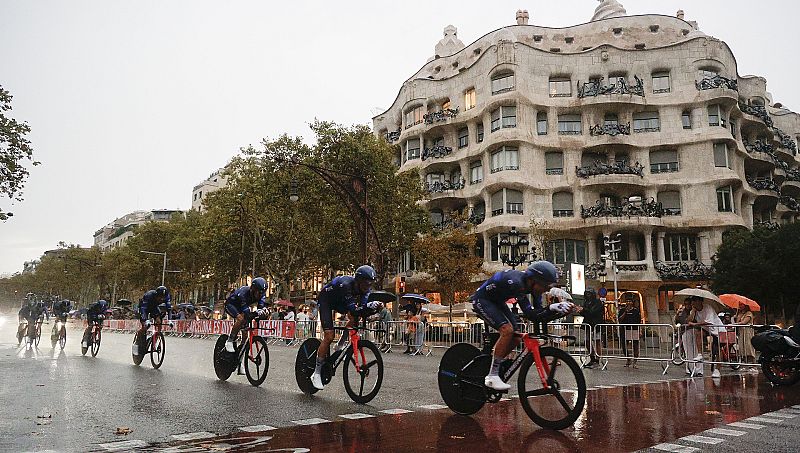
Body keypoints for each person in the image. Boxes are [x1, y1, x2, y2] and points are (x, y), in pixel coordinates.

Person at [470, 261, 574, 391]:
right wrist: (552, 307)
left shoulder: (534, 288)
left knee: (517, 336)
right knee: (507, 330)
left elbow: (538, 315)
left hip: (496, 302)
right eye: (546, 285)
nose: (547, 289)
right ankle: (492, 375)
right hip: (482, 300)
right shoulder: (517, 283)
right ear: (533, 280)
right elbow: (529, 313)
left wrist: (557, 310)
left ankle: (493, 362)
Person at [311, 265, 382, 390]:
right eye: (366, 284)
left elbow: (360, 310)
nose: (367, 287)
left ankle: (340, 344)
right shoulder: (346, 285)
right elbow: (354, 309)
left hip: (340, 301)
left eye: (370, 284)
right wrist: (367, 307)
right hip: (327, 300)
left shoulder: (366, 290)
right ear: (358, 281)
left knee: (355, 318)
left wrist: (372, 309)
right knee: (329, 335)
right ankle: (316, 372)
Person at [224, 277, 268, 352]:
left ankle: (240, 351)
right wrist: (254, 314)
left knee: (245, 330)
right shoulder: (243, 293)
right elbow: (246, 311)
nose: (260, 295)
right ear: (253, 289)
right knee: (241, 319)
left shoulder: (262, 295)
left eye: (262, 292)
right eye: (259, 292)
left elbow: (261, 307)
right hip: (231, 305)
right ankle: (230, 340)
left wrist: (262, 312)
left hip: (242, 307)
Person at [687, 297, 724, 378]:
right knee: (698, 332)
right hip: (706, 329)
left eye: (694, 301)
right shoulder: (694, 311)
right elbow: (689, 320)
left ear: (699, 301)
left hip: (717, 329)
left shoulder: (708, 308)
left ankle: (717, 369)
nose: (692, 303)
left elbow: (708, 322)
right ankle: (700, 354)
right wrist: (693, 313)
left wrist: (695, 324)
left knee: (717, 350)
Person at [578, 288, 604, 368]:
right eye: (586, 294)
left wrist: (584, 310)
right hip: (588, 324)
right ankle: (592, 358)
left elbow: (593, 312)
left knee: (597, 341)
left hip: (596, 325)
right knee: (587, 341)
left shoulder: (598, 302)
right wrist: (581, 311)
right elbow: (586, 313)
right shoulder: (586, 302)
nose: (588, 295)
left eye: (589, 294)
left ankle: (597, 360)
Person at [618, 297, 641, 368]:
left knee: (635, 346)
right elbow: (619, 320)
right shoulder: (622, 310)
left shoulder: (636, 311)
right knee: (624, 345)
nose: (628, 303)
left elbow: (638, 321)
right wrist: (625, 312)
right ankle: (628, 359)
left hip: (634, 329)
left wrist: (640, 331)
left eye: (630, 301)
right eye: (627, 301)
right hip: (625, 330)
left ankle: (635, 362)